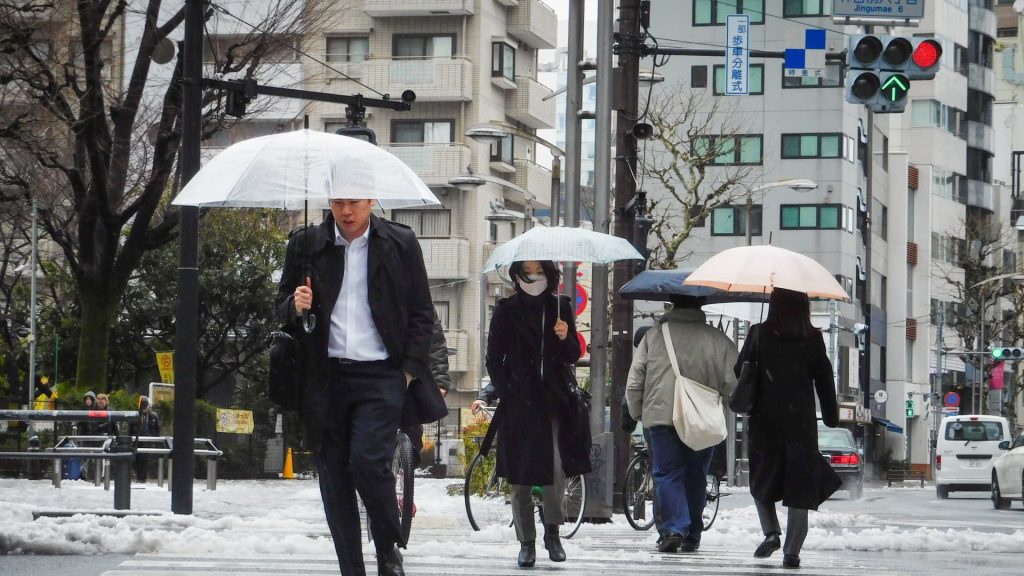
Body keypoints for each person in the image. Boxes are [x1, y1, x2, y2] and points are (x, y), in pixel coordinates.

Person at [277, 198, 434, 576]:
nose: (346, 211)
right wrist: (294, 306)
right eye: (338, 202)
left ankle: (388, 548)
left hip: (382, 374)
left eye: (355, 203)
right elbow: (279, 304)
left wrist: (409, 371)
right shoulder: (306, 244)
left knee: (367, 462)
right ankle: (352, 569)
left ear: (371, 200)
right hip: (324, 376)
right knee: (333, 475)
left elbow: (421, 311)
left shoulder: (400, 242)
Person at [471, 260, 583, 568]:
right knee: (519, 478)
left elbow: (573, 354)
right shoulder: (506, 310)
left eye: (539, 272)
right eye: (527, 272)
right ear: (517, 275)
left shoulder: (560, 307)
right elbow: (493, 358)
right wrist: (509, 391)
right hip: (519, 403)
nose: (533, 278)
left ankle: (552, 532)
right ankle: (526, 542)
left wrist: (564, 337)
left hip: (553, 401)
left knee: (554, 471)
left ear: (550, 274)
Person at [733, 287, 841, 570]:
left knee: (761, 480)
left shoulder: (759, 333)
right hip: (800, 425)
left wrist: (756, 357)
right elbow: (825, 380)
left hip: (765, 422)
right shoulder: (813, 338)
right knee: (799, 488)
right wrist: (831, 415)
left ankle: (771, 532)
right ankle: (792, 552)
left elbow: (738, 371)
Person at [626, 295, 737, 554]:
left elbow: (635, 380)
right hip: (703, 419)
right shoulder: (718, 340)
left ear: (671, 305)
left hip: (660, 416)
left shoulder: (653, 337)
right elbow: (733, 383)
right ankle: (693, 534)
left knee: (667, 473)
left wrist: (635, 411)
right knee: (696, 476)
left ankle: (675, 528)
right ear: (701, 307)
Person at [400, 310, 452, 469]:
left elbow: (435, 343)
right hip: (377, 371)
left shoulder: (416, 297)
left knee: (412, 430)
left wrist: (440, 381)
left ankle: (407, 468)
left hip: (413, 373)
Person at [130, 396, 160, 483]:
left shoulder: (152, 417)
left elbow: (157, 429)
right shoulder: (135, 416)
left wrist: (154, 440)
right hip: (137, 440)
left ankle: (142, 478)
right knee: (136, 459)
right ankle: (139, 477)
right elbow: (130, 429)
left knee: (144, 459)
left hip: (147, 441)